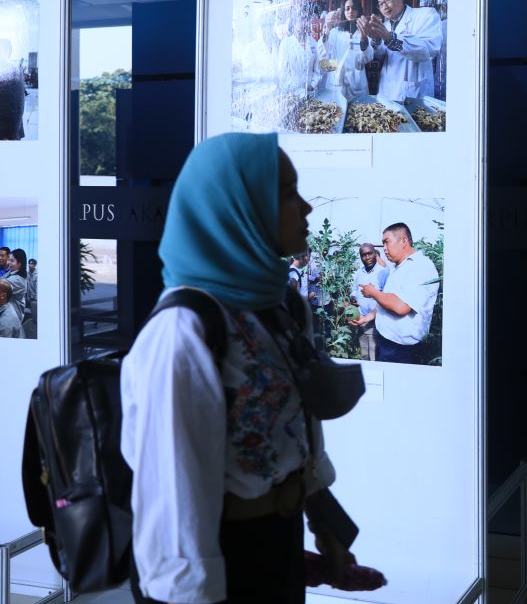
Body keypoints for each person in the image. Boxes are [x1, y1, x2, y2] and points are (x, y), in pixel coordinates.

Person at [121, 133, 360, 604]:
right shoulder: (183, 331)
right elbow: (172, 489)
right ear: (238, 209)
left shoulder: (281, 307)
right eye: (288, 193)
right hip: (216, 561)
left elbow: (295, 431)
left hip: (278, 545)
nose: (306, 207)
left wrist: (323, 519)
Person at [354, 222, 440, 364]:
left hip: (401, 349)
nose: (385, 249)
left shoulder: (421, 266)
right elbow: (387, 300)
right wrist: (367, 317)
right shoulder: (396, 268)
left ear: (404, 241)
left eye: (387, 242)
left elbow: (401, 306)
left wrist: (373, 292)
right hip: (386, 341)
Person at [357, 0, 443, 103]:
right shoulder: (385, 25)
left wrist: (390, 38)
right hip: (387, 89)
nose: (385, 7)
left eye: (388, 0)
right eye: (380, 4)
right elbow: (381, 55)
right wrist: (376, 40)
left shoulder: (425, 15)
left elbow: (429, 49)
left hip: (413, 92)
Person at [350, 242, 389, 361]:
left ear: (375, 254)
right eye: (363, 255)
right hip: (361, 319)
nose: (367, 258)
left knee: (374, 353)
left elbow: (387, 297)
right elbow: (354, 289)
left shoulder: (383, 273)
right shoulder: (359, 272)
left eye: (370, 254)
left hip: (377, 320)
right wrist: (353, 297)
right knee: (364, 352)